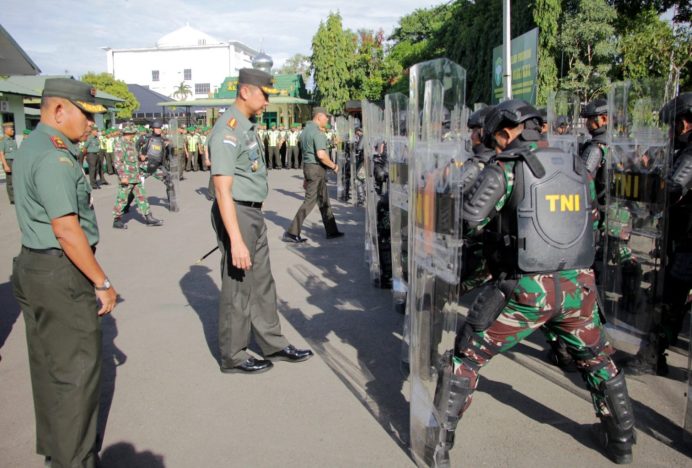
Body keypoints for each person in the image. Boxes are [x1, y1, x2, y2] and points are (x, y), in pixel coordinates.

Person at [434, 100, 636, 464]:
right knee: (599, 360)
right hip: (579, 287)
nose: (493, 144)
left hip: (528, 290)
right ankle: (621, 443)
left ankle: (437, 445)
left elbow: (467, 220)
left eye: (495, 137)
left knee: (465, 358)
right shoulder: (576, 164)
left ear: (506, 131)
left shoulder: (506, 167)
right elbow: (591, 219)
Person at [11, 77, 118, 468]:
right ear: (59, 111)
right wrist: (102, 283)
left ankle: (59, 453)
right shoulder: (55, 156)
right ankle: (74, 461)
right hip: (60, 271)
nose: (92, 125)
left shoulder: (33, 145)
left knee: (51, 371)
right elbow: (67, 230)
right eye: (86, 115)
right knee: (76, 376)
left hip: (36, 266)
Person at [209, 68, 313, 374]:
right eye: (265, 95)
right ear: (245, 92)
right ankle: (234, 355)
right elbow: (221, 188)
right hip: (238, 212)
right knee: (238, 285)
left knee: (263, 281)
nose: (267, 102)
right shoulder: (227, 129)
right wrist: (236, 239)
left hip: (252, 211)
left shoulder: (245, 126)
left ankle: (273, 343)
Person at [625, 92, 692, 375]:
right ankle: (655, 353)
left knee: (668, 298)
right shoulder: (681, 150)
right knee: (669, 296)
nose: (668, 131)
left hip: (688, 240)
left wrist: (640, 183)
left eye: (672, 124)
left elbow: (673, 189)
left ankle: (651, 355)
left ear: (685, 122)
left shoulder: (690, 153)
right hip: (679, 235)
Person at [283, 107, 344, 243]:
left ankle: (332, 231)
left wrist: (306, 176)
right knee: (310, 202)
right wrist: (333, 166)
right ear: (318, 117)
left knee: (324, 201)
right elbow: (321, 155)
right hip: (316, 170)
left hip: (310, 168)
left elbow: (307, 153)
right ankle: (292, 232)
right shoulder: (316, 132)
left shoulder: (305, 131)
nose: (327, 119)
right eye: (326, 117)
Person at [112, 126, 163, 229]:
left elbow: (133, 158)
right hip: (127, 177)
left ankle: (149, 218)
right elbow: (118, 162)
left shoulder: (130, 143)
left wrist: (141, 157)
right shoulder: (120, 144)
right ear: (128, 133)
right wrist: (123, 177)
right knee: (122, 198)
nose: (135, 134)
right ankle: (116, 220)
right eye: (133, 133)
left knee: (142, 197)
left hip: (135, 176)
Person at [138, 120, 178, 212]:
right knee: (134, 186)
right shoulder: (145, 138)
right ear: (152, 128)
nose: (159, 130)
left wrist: (171, 146)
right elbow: (134, 149)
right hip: (145, 167)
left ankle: (173, 205)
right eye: (157, 128)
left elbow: (171, 153)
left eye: (160, 128)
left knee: (170, 183)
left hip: (157, 167)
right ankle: (126, 207)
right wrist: (140, 155)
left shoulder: (164, 139)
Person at [1, 121, 18, 204]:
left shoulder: (12, 140)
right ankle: (12, 199)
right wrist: (5, 165)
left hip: (15, 161)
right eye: (11, 129)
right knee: (10, 181)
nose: (13, 130)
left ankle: (17, 196)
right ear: (6, 130)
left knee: (16, 180)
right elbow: (1, 154)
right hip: (8, 162)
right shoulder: (3, 141)